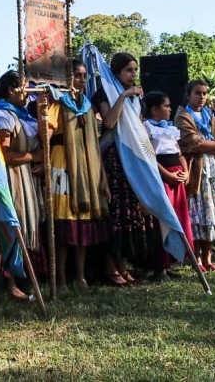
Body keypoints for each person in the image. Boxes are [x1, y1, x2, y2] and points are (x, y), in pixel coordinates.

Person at [92, 53, 154, 284]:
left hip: (133, 158)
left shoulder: (137, 98)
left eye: (135, 70)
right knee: (115, 214)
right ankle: (111, 268)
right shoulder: (104, 93)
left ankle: (123, 265)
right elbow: (109, 122)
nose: (133, 74)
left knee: (130, 213)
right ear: (116, 72)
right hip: (113, 160)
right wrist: (123, 96)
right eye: (128, 70)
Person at [0, 70, 45, 299]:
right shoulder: (3, 115)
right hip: (9, 179)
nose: (28, 92)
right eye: (24, 87)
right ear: (12, 90)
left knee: (28, 222)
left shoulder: (25, 115)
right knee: (12, 225)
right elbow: (4, 154)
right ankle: (9, 281)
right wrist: (33, 157)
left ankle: (25, 276)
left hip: (26, 177)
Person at [48, 60, 108, 289]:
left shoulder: (88, 106)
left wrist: (102, 177)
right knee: (64, 225)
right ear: (66, 78)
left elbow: (94, 145)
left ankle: (80, 276)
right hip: (62, 165)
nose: (81, 80)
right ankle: (61, 277)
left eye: (84, 75)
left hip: (87, 167)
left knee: (83, 223)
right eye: (76, 75)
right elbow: (45, 135)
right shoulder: (57, 102)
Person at [174, 80, 215, 271]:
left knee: (212, 211)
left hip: (214, 169)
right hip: (196, 169)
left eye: (204, 93)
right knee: (198, 214)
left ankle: (208, 258)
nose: (202, 97)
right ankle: (196, 258)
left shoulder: (209, 115)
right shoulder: (182, 115)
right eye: (197, 93)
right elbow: (193, 142)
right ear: (188, 95)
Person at [143, 91, 194, 279]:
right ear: (154, 109)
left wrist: (185, 172)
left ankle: (170, 260)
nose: (170, 109)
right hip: (162, 177)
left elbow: (179, 154)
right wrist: (168, 176)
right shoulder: (147, 128)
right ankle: (159, 265)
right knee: (163, 220)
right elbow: (150, 157)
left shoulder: (170, 128)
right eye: (166, 106)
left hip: (177, 177)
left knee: (178, 218)